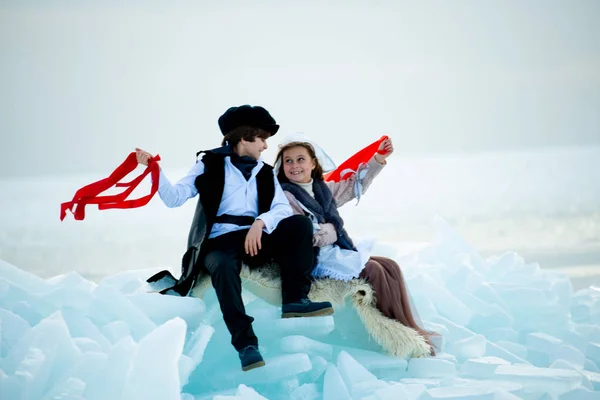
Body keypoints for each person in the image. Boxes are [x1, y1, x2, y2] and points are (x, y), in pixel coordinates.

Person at [136, 105, 334, 372]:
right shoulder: (208, 164)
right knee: (225, 268)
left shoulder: (264, 172)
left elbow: (281, 209)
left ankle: (294, 300)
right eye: (262, 139)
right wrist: (154, 169)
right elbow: (174, 198)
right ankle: (246, 345)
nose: (265, 146)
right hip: (217, 242)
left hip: (254, 238)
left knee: (299, 224)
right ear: (245, 138)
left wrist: (260, 222)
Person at [274, 136, 435, 354]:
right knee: (374, 270)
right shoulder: (285, 196)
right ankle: (388, 335)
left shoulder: (322, 189)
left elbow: (352, 186)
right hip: (313, 257)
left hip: (333, 250)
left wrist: (378, 159)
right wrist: (331, 230)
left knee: (390, 265)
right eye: (288, 161)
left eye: (300, 159)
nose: (294, 166)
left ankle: (407, 327)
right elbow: (304, 236)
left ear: (313, 163)